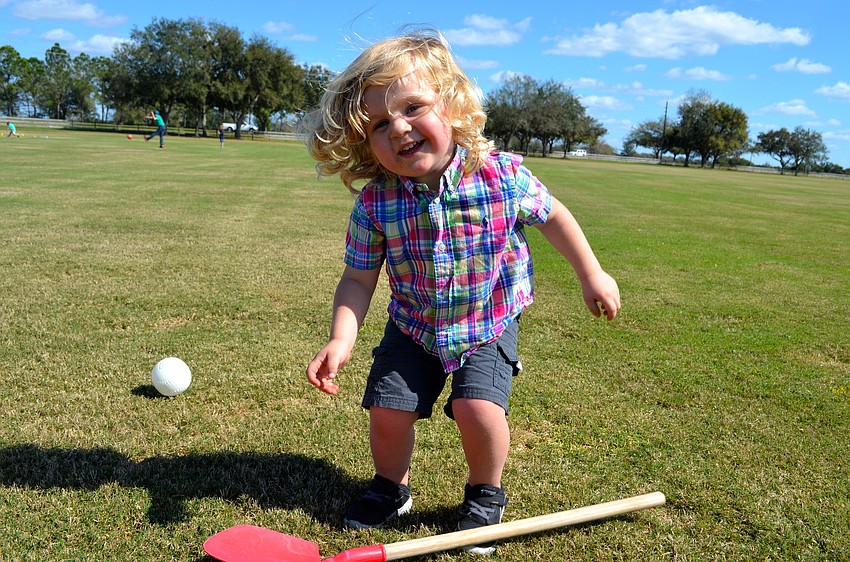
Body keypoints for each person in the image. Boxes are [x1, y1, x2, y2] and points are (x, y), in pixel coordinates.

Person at [304, 30, 620, 555]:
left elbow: (555, 217)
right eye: (380, 125)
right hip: (414, 322)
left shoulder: (500, 175)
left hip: (488, 319)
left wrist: (592, 274)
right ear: (365, 143)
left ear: (451, 104)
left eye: (412, 108)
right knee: (387, 407)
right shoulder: (375, 204)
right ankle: (391, 488)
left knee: (478, 408)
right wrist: (341, 339)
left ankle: (484, 494)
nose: (400, 128)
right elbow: (358, 279)